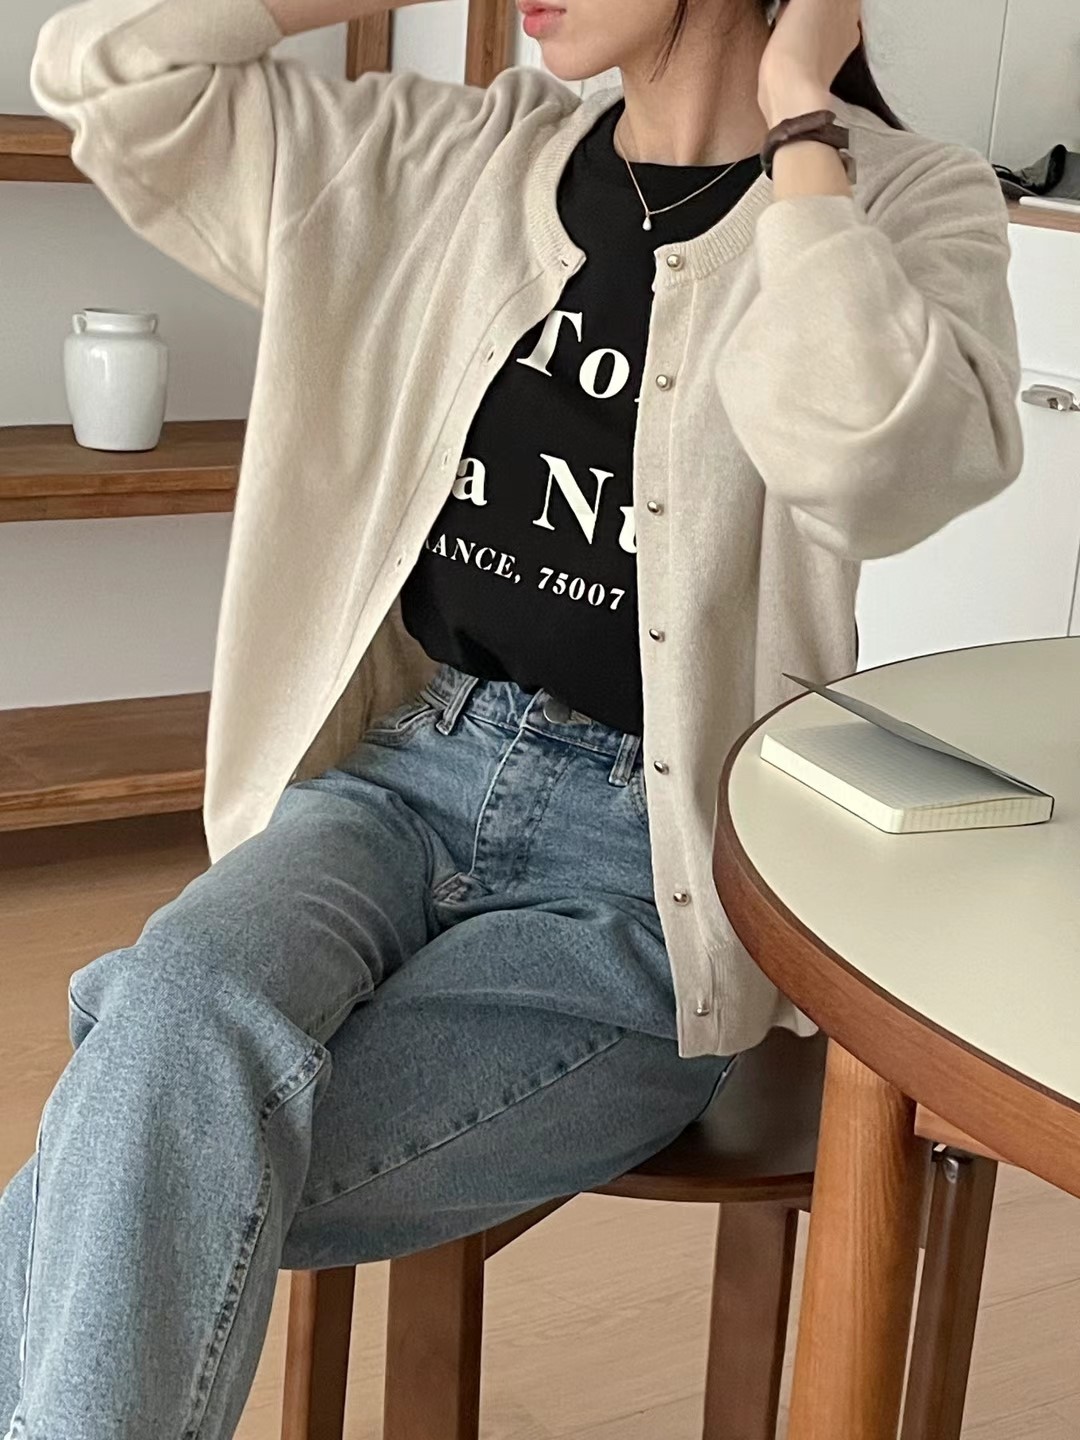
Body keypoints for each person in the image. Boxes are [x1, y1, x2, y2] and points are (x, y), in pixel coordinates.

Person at [2, 0, 1022, 1433]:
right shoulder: (449, 159)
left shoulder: (905, 198)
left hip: (651, 879)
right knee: (171, 1024)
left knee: (142, 1128)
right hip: (398, 782)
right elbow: (106, 71)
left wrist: (801, 115)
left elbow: (876, 467)